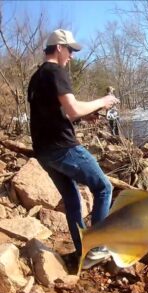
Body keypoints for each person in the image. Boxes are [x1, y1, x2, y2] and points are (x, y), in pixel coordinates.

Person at [27, 29, 119, 271]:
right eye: (70, 50)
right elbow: (72, 109)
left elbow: (53, 114)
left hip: (44, 152)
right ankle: (97, 247)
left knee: (72, 200)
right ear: (59, 47)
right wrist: (103, 101)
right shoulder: (55, 71)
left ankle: (84, 251)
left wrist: (82, 118)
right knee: (104, 188)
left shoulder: (36, 77)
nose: (72, 56)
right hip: (63, 148)